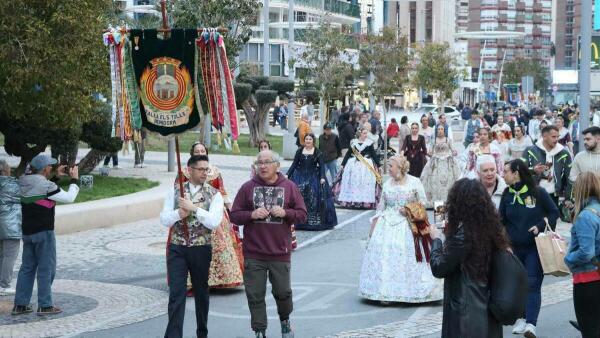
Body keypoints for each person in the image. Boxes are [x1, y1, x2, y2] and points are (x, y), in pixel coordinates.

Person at [230, 150, 307, 338]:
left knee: (283, 293)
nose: (262, 166)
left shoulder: (289, 187)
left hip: (279, 252)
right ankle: (259, 330)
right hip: (254, 253)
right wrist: (251, 215)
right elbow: (234, 215)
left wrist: (286, 213)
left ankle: (285, 320)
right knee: (255, 295)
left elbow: (303, 214)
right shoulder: (248, 187)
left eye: (266, 162)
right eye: (259, 163)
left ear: (277, 166)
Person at [430, 178, 510, 338]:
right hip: (488, 308)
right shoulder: (492, 230)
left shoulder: (464, 235)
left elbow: (439, 267)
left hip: (465, 312)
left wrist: (437, 240)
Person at [359, 155, 442, 303]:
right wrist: (374, 225)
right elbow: (381, 207)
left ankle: (410, 289)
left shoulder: (414, 182)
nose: (388, 169)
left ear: (400, 167)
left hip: (408, 224)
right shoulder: (387, 184)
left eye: (390, 166)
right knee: (386, 256)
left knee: (405, 254)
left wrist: (409, 209)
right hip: (386, 224)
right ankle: (385, 291)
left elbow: (423, 203)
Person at [160, 155, 224, 338]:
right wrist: (179, 213)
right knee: (176, 294)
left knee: (201, 292)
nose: (205, 172)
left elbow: (213, 222)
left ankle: (202, 332)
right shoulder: (174, 192)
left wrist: (195, 209)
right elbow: (164, 219)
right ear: (189, 170)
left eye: (207, 169)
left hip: (201, 248)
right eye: (201, 169)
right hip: (177, 248)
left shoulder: (214, 194)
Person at [12, 154, 79, 316]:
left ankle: (20, 305)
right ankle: (45, 305)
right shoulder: (46, 186)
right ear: (44, 169)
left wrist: (55, 177)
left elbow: (42, 193)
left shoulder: (23, 181)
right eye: (50, 166)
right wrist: (74, 180)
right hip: (44, 232)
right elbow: (69, 198)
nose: (52, 168)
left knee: (27, 268)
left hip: (28, 232)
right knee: (46, 269)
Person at [500, 159, 560, 337]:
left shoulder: (538, 192)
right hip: (513, 248)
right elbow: (500, 220)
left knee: (533, 283)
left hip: (535, 247)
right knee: (517, 285)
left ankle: (531, 324)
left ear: (516, 172)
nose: (503, 175)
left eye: (506, 172)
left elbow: (554, 212)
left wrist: (540, 225)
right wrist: (503, 242)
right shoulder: (506, 194)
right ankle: (521, 318)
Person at [186, 143, 243, 289]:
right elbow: (178, 191)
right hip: (192, 212)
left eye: (202, 150)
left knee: (219, 244)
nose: (199, 152)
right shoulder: (185, 171)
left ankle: (220, 279)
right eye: (197, 151)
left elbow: (222, 191)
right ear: (192, 153)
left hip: (214, 211)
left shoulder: (215, 171)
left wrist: (231, 208)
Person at [565, 172, 600, 338]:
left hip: (588, 280)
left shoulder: (586, 216)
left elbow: (586, 252)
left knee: (590, 331)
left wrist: (568, 258)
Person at [287, 134, 337, 231]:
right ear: (304, 140)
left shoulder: (317, 152)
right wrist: (287, 175)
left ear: (313, 141)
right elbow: (294, 164)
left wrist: (322, 177)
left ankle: (313, 220)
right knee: (298, 196)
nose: (308, 141)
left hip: (313, 176)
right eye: (306, 139)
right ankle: (298, 220)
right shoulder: (299, 151)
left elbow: (322, 166)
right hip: (300, 176)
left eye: (310, 139)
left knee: (314, 196)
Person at [334, 127, 382, 209]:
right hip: (354, 165)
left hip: (366, 166)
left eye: (366, 133)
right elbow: (348, 154)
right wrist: (343, 165)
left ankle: (364, 202)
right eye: (364, 133)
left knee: (364, 183)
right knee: (353, 183)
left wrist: (379, 165)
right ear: (360, 134)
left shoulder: (369, 143)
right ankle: (353, 201)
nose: (366, 135)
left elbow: (373, 154)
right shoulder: (353, 143)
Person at [525, 125, 572, 207]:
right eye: (553, 137)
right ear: (544, 137)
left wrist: (568, 198)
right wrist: (533, 170)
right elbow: (520, 171)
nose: (557, 139)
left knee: (552, 219)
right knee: (531, 218)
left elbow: (569, 177)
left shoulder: (564, 153)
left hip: (553, 195)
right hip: (531, 193)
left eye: (558, 137)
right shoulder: (529, 150)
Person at [420, 124, 460, 208]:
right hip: (435, 164)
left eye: (442, 129)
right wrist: (430, 153)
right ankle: (438, 205)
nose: (440, 131)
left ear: (444, 130)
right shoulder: (433, 140)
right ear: (436, 131)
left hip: (447, 164)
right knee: (435, 182)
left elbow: (453, 150)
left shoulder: (448, 140)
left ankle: (448, 203)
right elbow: (430, 151)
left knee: (448, 182)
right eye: (438, 129)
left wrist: (454, 153)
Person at [0, 160, 21, 295]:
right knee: (10, 255)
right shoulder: (12, 185)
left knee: (1, 255)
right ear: (7, 171)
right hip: (10, 225)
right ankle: (4, 285)